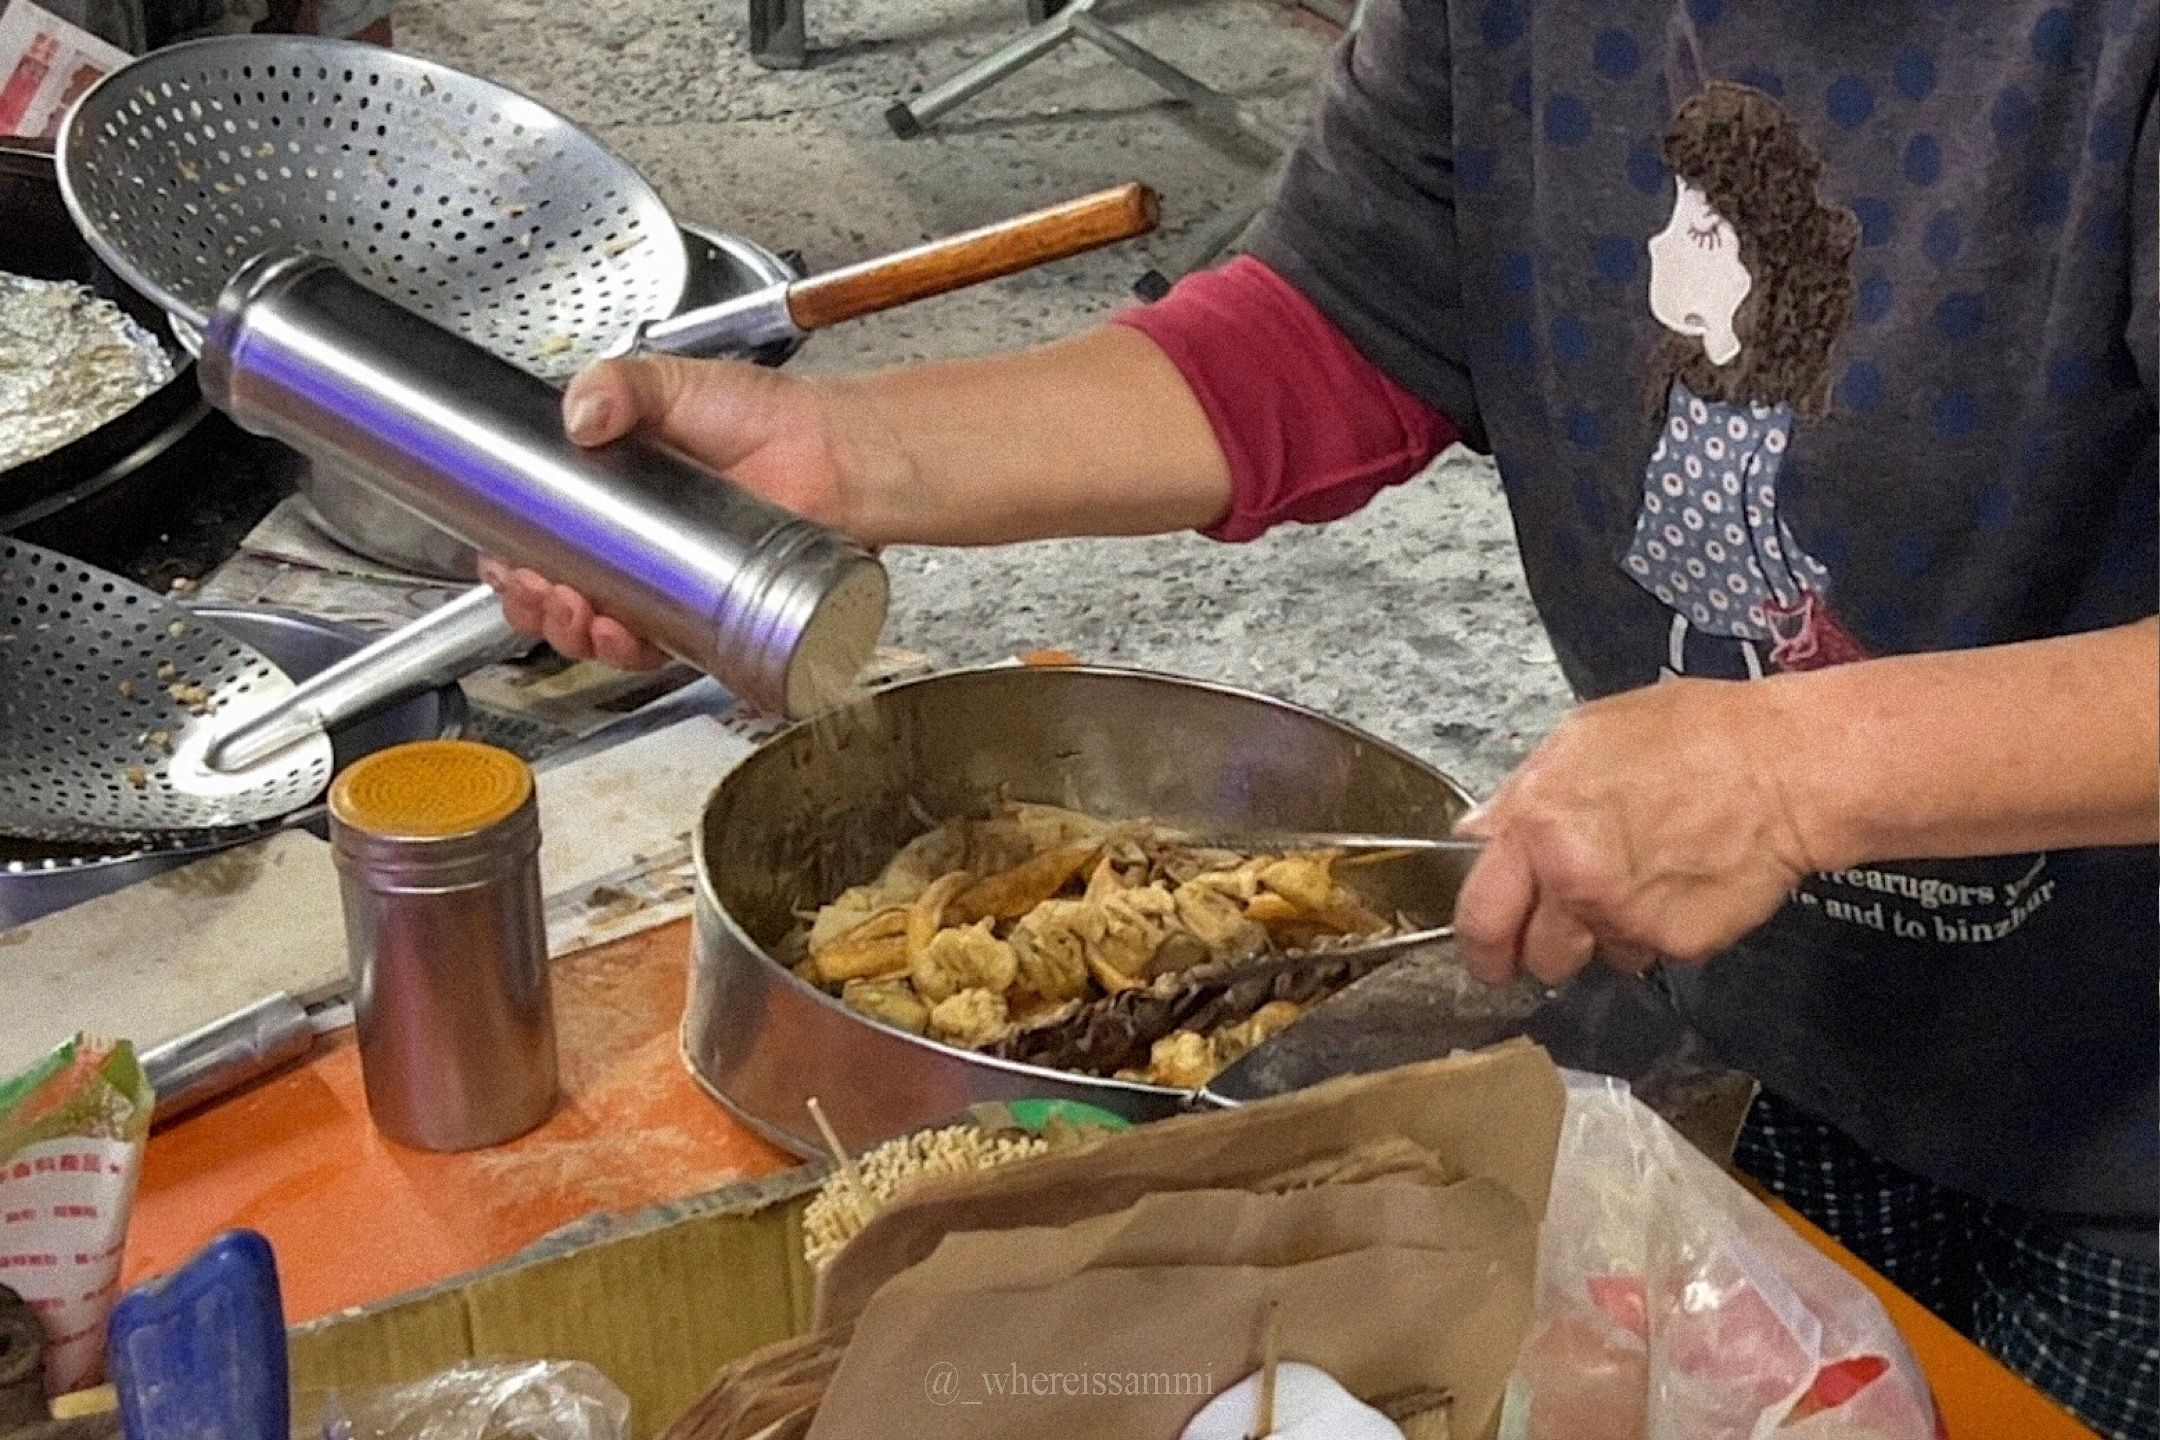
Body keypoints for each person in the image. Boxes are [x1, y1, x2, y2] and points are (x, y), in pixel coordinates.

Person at [485, 3, 2159, 1432]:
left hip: (2124, 1157)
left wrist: (1799, 772)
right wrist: (839, 466)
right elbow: (1353, 320)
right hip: (1755, 1014)